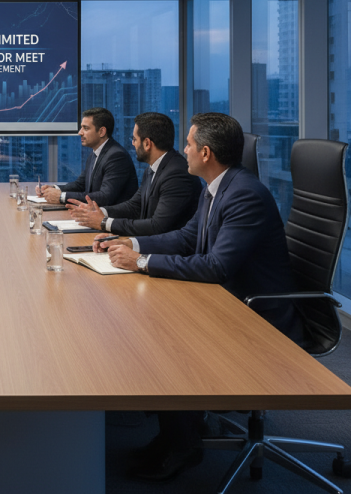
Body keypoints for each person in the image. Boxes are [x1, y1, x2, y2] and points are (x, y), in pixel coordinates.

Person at [99, 113, 302, 482]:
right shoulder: (216, 188)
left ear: (205, 153)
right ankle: (171, 437)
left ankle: (184, 446)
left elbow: (216, 266)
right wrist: (131, 243)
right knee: (153, 323)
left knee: (165, 339)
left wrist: (142, 261)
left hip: (258, 316)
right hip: (228, 301)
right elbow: (186, 238)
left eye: (189, 145)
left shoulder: (243, 195)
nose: (184, 151)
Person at [66, 112, 202, 236]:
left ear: (147, 143)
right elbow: (134, 206)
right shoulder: (153, 168)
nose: (132, 144)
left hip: (166, 253)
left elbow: (157, 226)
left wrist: (104, 222)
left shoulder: (177, 174)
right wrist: (99, 212)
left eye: (135, 139)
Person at [38, 107, 138, 207]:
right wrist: (53, 189)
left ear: (102, 132)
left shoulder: (117, 156)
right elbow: (80, 185)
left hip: (114, 219)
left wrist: (62, 197)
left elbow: (105, 197)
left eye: (85, 128)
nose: (80, 132)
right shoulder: (95, 153)